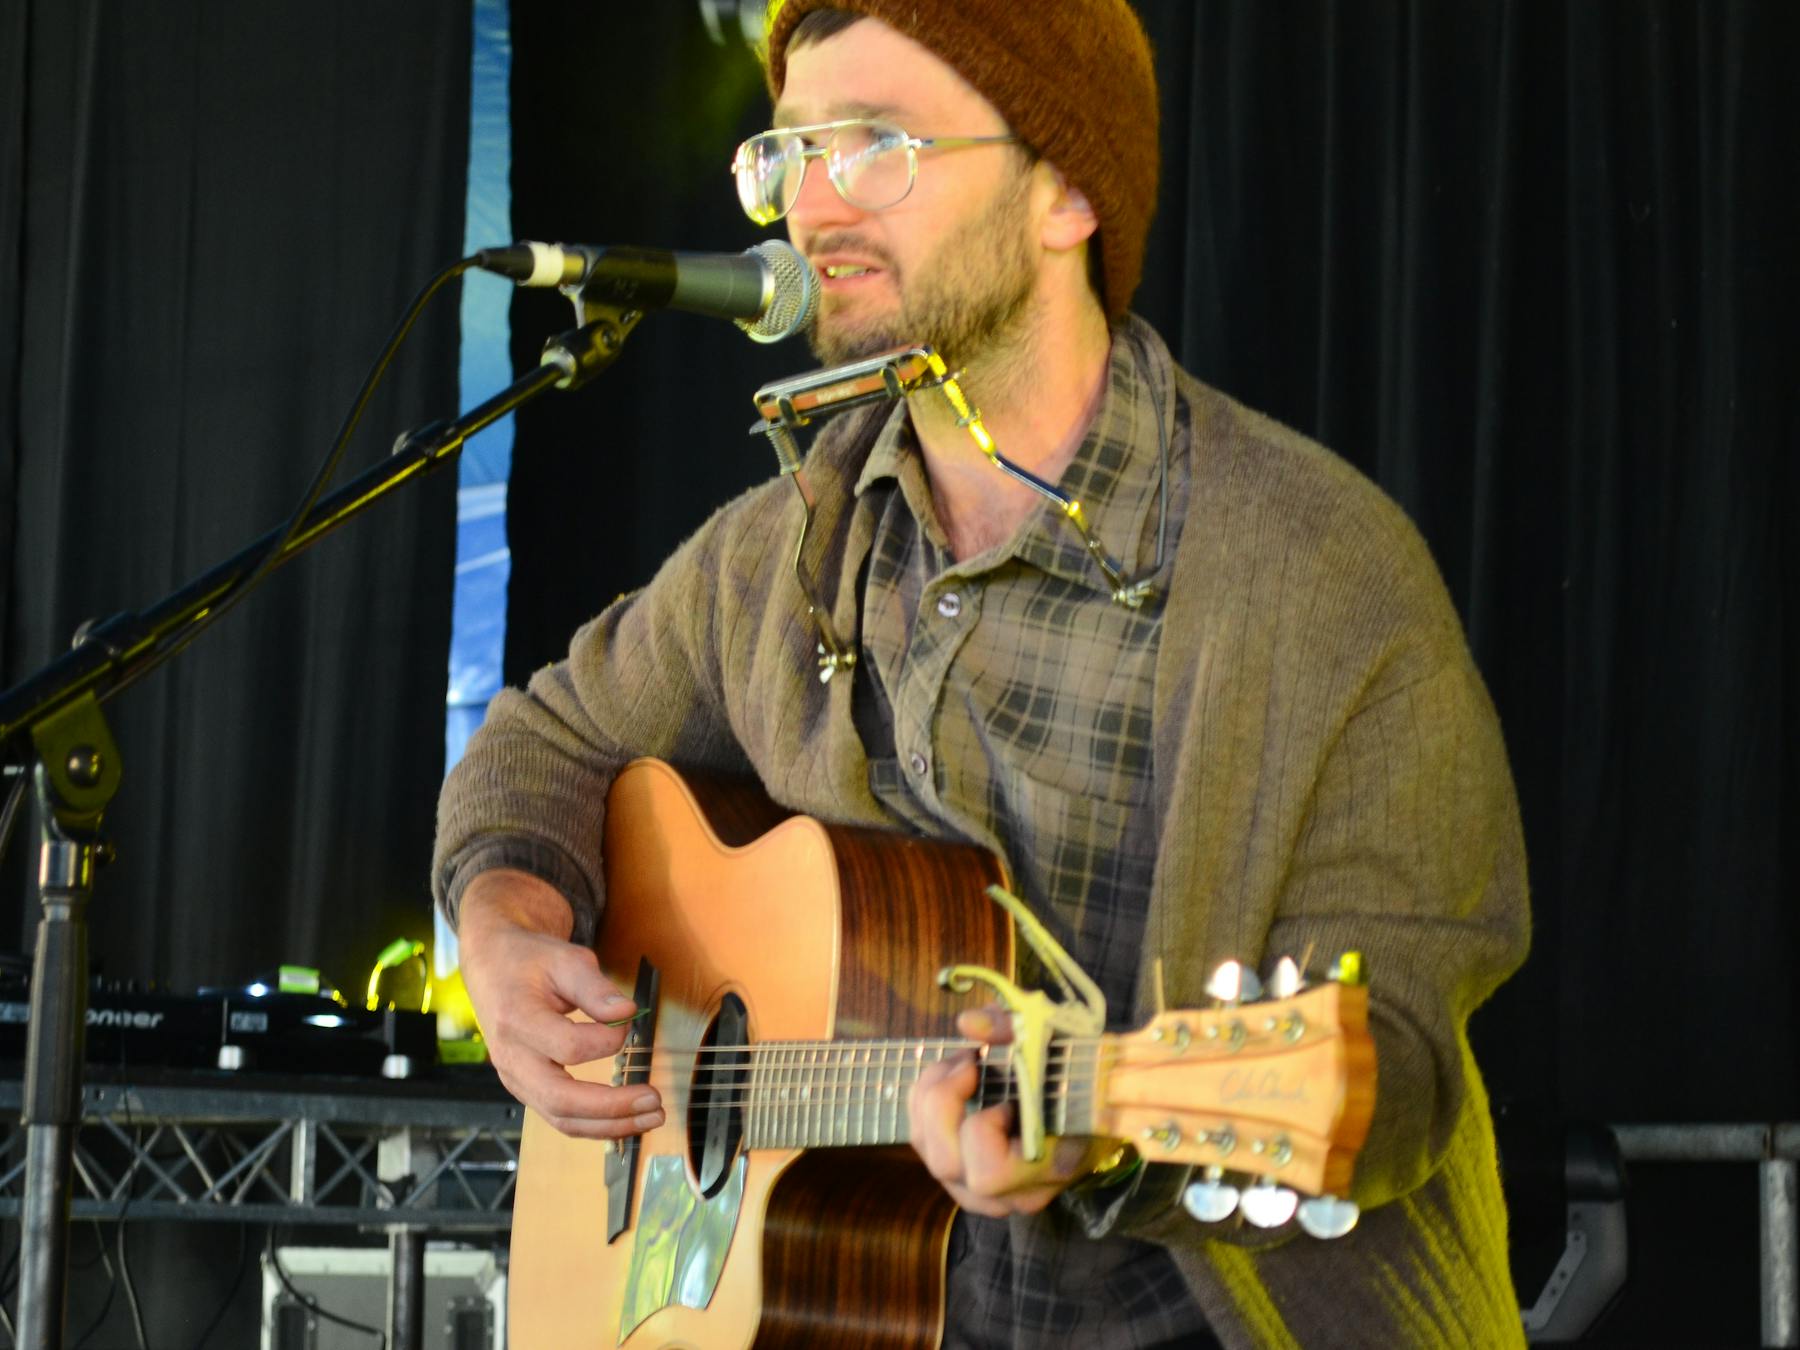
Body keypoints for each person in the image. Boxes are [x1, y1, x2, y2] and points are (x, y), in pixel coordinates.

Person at [433, 1, 1532, 1345]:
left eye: (874, 145)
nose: (813, 208)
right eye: (789, 156)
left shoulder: (1324, 580)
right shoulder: (786, 546)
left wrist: (1105, 1142)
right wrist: (501, 916)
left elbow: (1395, 1069)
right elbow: (545, 740)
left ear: (1067, 189)